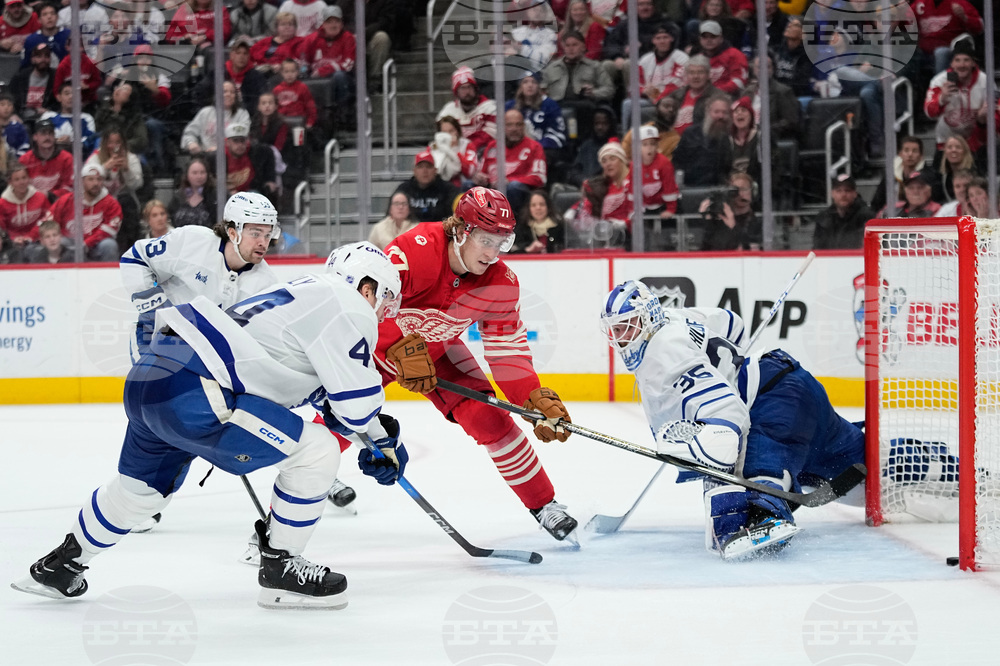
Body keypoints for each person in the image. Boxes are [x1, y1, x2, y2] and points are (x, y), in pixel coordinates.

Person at [13, 239, 407, 609]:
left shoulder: (306, 296)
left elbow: (329, 395)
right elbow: (354, 406)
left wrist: (374, 437)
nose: (381, 311)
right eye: (384, 299)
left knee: (140, 494)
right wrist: (384, 441)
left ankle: (62, 565)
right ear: (367, 286)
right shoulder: (348, 305)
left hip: (155, 376)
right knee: (317, 449)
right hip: (199, 391)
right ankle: (281, 567)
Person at [597, 280, 865, 559]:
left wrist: (711, 452)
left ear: (648, 315)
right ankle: (908, 459)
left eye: (626, 326)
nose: (620, 338)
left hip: (772, 405)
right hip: (789, 381)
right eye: (614, 329)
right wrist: (729, 364)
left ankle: (764, 517)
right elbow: (732, 323)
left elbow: (728, 412)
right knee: (868, 463)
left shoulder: (662, 353)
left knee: (754, 470)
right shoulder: (675, 318)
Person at [378, 186, 578, 542]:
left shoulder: (499, 283)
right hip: (370, 353)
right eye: (486, 240)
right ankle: (283, 522)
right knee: (338, 423)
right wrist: (393, 344)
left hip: (439, 355)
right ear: (460, 230)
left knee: (491, 418)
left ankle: (544, 505)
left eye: (502, 242)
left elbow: (508, 352)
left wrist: (532, 398)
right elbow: (363, 304)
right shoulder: (416, 248)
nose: (493, 253)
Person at [541, 30, 614, 137]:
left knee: (587, 108)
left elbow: (609, 89)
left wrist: (593, 93)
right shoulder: (551, 68)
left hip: (583, 104)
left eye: (575, 45)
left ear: (583, 47)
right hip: (557, 104)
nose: (571, 48)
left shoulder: (594, 66)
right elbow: (542, 88)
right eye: (567, 45)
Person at [477, 109, 547, 219]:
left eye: (518, 125)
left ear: (523, 126)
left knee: (513, 187)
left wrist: (510, 180)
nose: (514, 129)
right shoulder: (492, 147)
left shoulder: (534, 147)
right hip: (492, 192)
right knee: (468, 186)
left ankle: (513, 225)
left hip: (518, 193)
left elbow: (540, 178)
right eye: (509, 125)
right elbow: (483, 173)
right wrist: (481, 178)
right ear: (502, 127)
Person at [923, 39, 987, 153]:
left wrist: (983, 119)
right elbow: (929, 113)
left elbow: (997, 114)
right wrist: (941, 98)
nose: (961, 65)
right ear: (951, 63)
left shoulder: (985, 81)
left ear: (973, 63)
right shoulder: (939, 81)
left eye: (966, 60)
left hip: (977, 144)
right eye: (957, 60)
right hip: (946, 144)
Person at [49, 163, 122, 262]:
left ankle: (109, 277)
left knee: (109, 245)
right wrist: (30, 237)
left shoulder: (111, 203)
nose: (95, 183)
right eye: (91, 179)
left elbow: (110, 230)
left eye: (99, 179)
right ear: (82, 181)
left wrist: (86, 244)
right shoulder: (66, 200)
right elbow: (48, 222)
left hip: (97, 244)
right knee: (58, 242)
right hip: (71, 242)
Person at [298, 4, 356, 122]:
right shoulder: (312, 39)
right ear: (323, 24)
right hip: (316, 78)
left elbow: (348, 65)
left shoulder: (348, 38)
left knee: (339, 76)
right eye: (329, 21)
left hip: (343, 78)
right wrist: (303, 72)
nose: (333, 25)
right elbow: (303, 60)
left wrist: (322, 70)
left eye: (337, 21)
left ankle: (344, 114)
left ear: (342, 23)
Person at [624, 22, 686, 124]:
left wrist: (655, 94)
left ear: (672, 39)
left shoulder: (681, 58)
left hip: (671, 101)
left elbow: (677, 85)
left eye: (665, 37)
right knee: (627, 104)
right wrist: (643, 91)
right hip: (649, 99)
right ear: (653, 41)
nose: (662, 41)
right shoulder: (645, 60)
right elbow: (632, 88)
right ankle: (628, 138)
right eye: (658, 38)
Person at [673, 94, 735, 187]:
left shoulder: (731, 137)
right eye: (716, 112)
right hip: (691, 188)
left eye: (724, 112)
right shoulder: (690, 133)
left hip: (718, 189)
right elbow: (677, 164)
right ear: (708, 112)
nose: (720, 116)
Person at [437, 66, 498, 155]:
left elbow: (492, 135)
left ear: (475, 89)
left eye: (469, 87)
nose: (467, 91)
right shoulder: (448, 111)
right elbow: (441, 136)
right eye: (463, 88)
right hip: (456, 155)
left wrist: (468, 148)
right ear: (456, 91)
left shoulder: (489, 107)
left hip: (483, 154)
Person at [181, 81, 252, 155]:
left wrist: (221, 149)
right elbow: (189, 133)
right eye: (224, 91)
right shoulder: (205, 112)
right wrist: (191, 143)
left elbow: (243, 139)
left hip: (231, 157)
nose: (228, 94)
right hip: (205, 156)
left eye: (232, 92)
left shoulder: (242, 114)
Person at [211, 122, 277, 200]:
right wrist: (228, 193)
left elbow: (269, 152)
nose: (240, 145)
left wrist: (270, 179)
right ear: (227, 142)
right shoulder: (216, 158)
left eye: (242, 141)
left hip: (250, 194)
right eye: (235, 141)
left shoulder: (257, 153)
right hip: (225, 196)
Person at [393, 148, 460, 223]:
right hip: (411, 231)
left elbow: (457, 216)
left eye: (428, 166)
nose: (425, 171)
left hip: (439, 231)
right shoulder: (404, 189)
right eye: (420, 167)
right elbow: (391, 216)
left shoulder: (448, 189)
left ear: (435, 170)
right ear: (414, 171)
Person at [0, 162, 50, 262]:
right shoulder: (2, 203)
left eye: (24, 178)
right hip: (12, 245)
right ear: (10, 182)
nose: (22, 182)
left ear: (29, 179)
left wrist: (30, 236)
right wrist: (13, 239)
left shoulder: (40, 197)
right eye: (17, 179)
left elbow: (48, 220)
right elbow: (1, 228)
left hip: (38, 241)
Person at [699, 171, 761, 251]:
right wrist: (707, 222)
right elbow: (704, 251)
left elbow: (751, 251)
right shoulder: (719, 222)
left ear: (752, 192)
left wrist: (733, 226)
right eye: (735, 190)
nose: (740, 194)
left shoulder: (759, 222)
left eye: (744, 189)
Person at [811, 174, 874, 250]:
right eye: (839, 191)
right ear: (832, 194)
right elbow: (817, 249)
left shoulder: (867, 218)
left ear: (855, 194)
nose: (843, 195)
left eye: (847, 190)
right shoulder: (823, 219)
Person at [19, 118, 73, 203]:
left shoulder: (66, 158)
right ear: (35, 137)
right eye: (43, 133)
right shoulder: (25, 160)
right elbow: (20, 186)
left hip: (59, 203)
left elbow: (69, 186)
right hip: (32, 203)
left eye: (50, 133)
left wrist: (49, 195)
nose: (47, 137)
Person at [664, 55, 721, 135]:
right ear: (686, 75)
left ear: (708, 75)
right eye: (692, 73)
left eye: (700, 72)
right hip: (672, 141)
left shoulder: (717, 97)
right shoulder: (676, 95)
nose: (696, 76)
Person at [870, 136, 928, 213]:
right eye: (906, 150)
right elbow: (877, 202)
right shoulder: (890, 175)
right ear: (900, 154)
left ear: (921, 156)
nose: (910, 154)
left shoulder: (929, 177)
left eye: (914, 151)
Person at [634, 125, 678, 221]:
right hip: (645, 207)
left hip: (664, 206)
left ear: (657, 145)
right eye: (644, 144)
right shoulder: (634, 165)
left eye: (653, 144)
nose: (649, 148)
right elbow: (632, 189)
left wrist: (671, 209)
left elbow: (669, 187)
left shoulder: (664, 163)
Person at [691, 20, 747, 96]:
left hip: (729, 97)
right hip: (702, 98)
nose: (709, 40)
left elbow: (739, 82)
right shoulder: (698, 58)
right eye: (705, 37)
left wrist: (715, 92)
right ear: (700, 39)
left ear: (721, 38)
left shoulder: (734, 54)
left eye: (713, 36)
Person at [8, 42, 55, 122]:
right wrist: (13, 114)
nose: (43, 60)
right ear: (32, 59)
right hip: (22, 118)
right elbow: (10, 98)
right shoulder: (20, 77)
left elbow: (57, 101)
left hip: (46, 117)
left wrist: (49, 111)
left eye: (46, 56)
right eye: (39, 56)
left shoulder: (54, 77)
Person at [168, 156, 217, 229]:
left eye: (202, 172)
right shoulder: (178, 196)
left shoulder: (215, 196)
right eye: (195, 173)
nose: (199, 176)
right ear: (187, 175)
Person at [249, 11, 302, 76]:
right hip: (259, 71)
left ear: (295, 27)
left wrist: (282, 66)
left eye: (290, 24)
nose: (287, 27)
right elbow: (249, 55)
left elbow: (298, 61)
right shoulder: (265, 41)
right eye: (283, 24)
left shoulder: (300, 42)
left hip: (282, 74)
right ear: (277, 27)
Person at [512, 188, 564, 254]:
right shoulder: (522, 227)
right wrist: (527, 250)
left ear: (548, 207)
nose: (538, 208)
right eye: (533, 205)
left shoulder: (560, 226)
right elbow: (512, 250)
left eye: (542, 204)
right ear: (529, 208)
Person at [933, 134, 977, 203]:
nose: (953, 150)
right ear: (945, 152)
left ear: (965, 151)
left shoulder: (975, 175)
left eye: (958, 147)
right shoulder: (942, 177)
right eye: (950, 147)